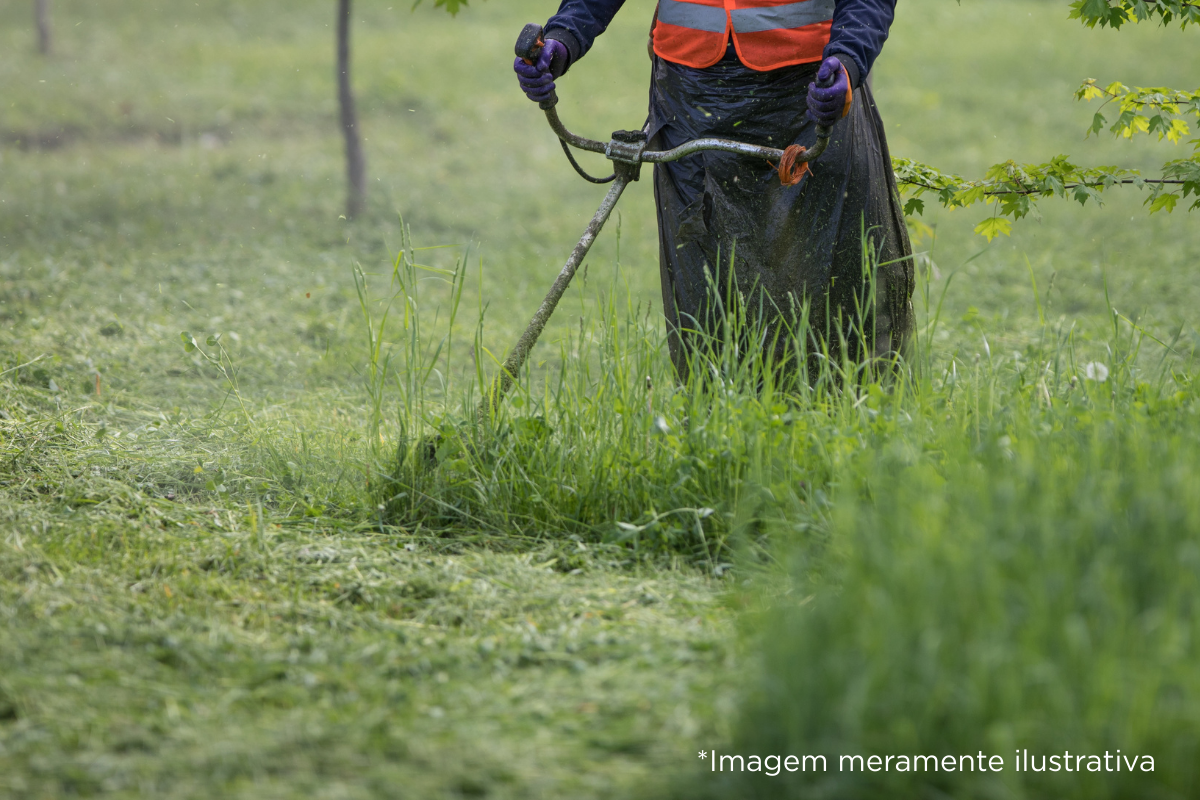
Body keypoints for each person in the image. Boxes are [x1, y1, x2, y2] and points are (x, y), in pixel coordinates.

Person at [514, 0, 913, 382]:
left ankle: (834, 421)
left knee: (826, 287)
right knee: (704, 285)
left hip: (806, 96)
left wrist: (848, 59)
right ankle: (716, 428)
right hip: (687, 98)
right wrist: (564, 37)